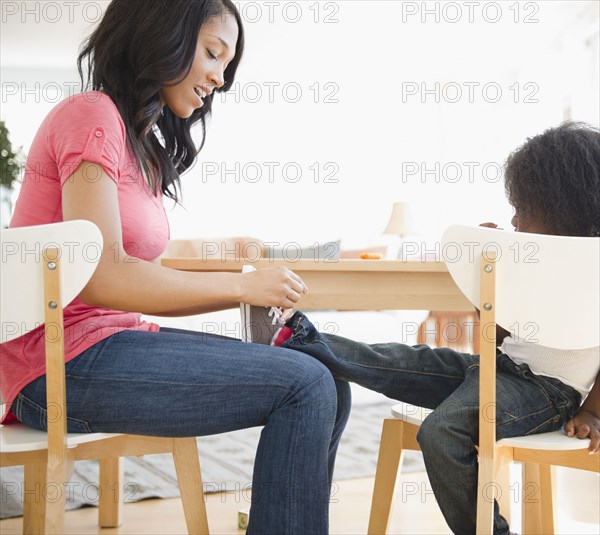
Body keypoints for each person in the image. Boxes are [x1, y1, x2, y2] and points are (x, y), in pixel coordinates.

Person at [0, 1, 351, 533]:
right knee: (305, 384)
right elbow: (106, 273)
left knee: (328, 378)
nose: (220, 78)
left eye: (226, 64)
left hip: (105, 343)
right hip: (56, 364)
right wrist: (242, 287)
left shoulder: (135, 138)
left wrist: (226, 251)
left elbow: (140, 252)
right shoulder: (91, 115)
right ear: (163, 33)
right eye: (213, 54)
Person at [258, 122, 600, 534]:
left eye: (524, 210)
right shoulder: (533, 262)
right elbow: (503, 338)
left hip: (549, 393)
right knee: (400, 360)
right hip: (500, 371)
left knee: (441, 432)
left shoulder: (589, 271)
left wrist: (594, 411)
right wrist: (485, 283)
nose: (515, 218)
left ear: (564, 207)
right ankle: (297, 337)